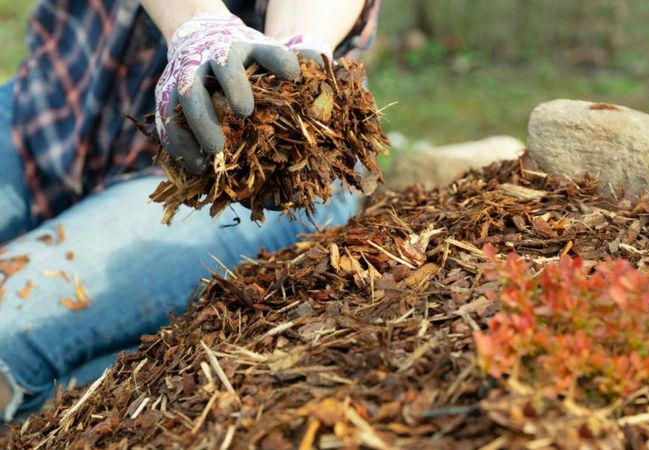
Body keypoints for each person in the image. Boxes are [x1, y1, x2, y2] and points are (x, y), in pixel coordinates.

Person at [0, 0, 380, 421]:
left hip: (224, 178)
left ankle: (88, 387)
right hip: (47, 112)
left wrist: (297, 43)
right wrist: (198, 24)